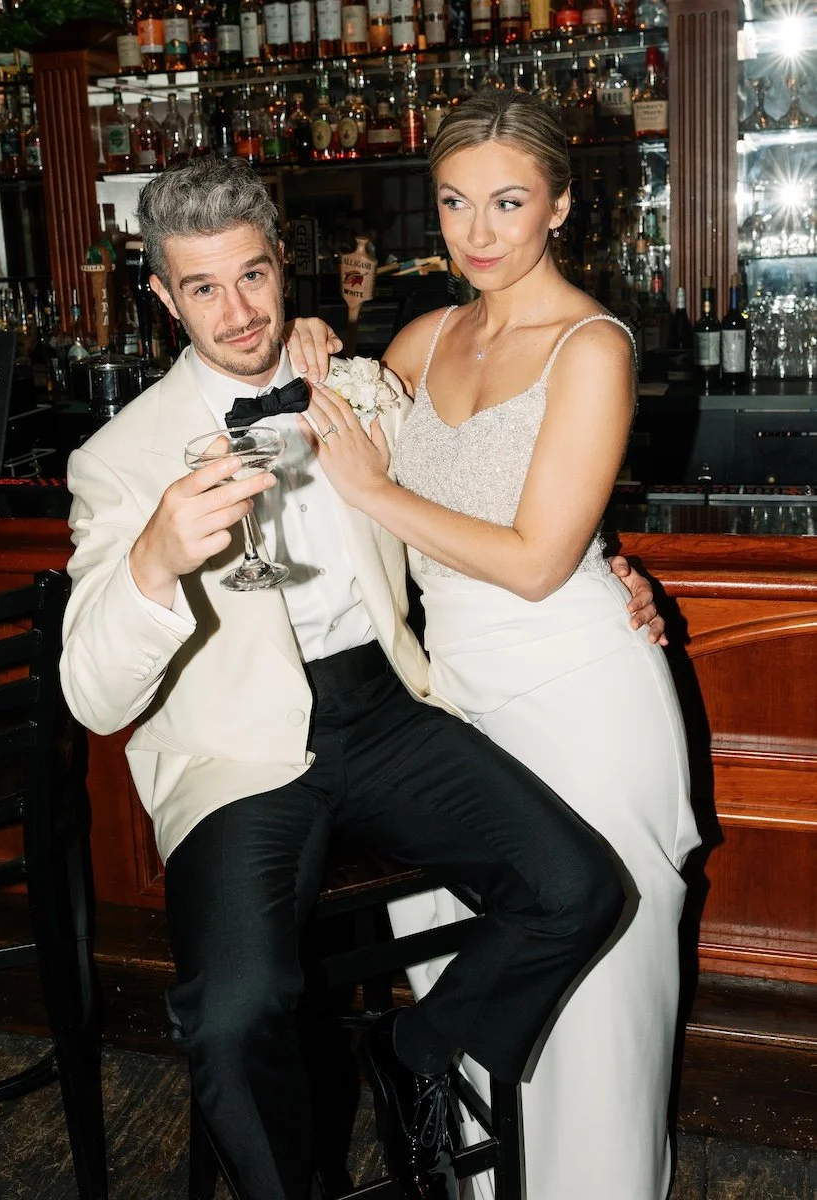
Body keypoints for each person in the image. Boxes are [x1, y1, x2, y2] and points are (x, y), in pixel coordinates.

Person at [58, 155, 663, 1200]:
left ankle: (416, 1050)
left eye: (253, 276)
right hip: (234, 752)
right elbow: (93, 697)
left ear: (281, 263)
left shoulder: (355, 387)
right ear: (161, 295)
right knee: (232, 1015)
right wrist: (154, 560)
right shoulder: (118, 457)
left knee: (578, 889)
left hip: (383, 710)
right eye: (202, 288)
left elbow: (484, 492)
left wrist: (605, 566)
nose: (238, 313)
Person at [300, 90, 700, 1200]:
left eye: (509, 202)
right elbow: (322, 466)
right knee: (465, 972)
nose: (477, 232)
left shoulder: (592, 346)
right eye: (454, 202)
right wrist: (308, 343)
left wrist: (378, 490)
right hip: (450, 704)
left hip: (581, 694)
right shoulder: (422, 340)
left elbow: (534, 562)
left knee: (596, 1005)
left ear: (560, 206)